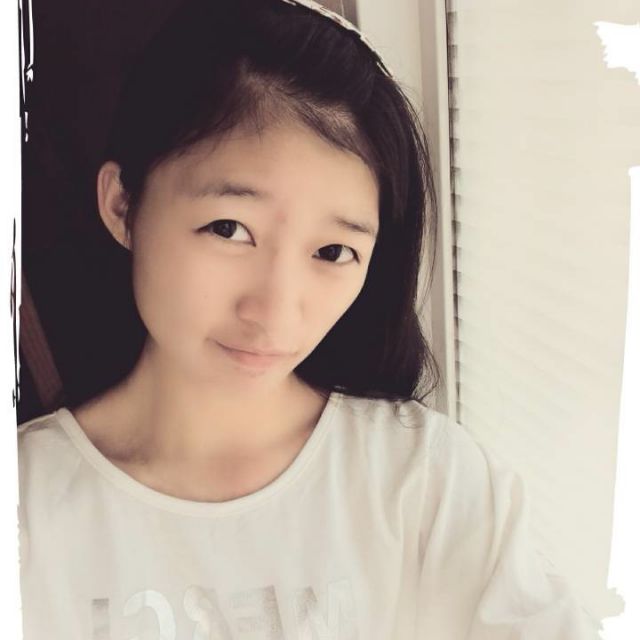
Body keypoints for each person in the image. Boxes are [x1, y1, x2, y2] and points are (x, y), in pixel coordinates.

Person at [17, 0, 603, 637]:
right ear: (122, 205)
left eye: (332, 252)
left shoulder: (425, 482)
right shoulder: (25, 506)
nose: (275, 310)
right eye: (229, 228)